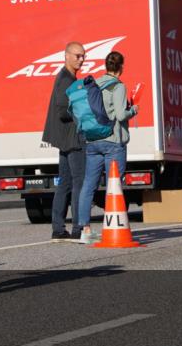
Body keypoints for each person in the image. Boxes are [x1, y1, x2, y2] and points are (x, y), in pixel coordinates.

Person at [75, 51, 139, 243]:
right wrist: (133, 110)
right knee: (114, 185)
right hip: (112, 141)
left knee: (88, 184)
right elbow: (120, 115)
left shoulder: (95, 84)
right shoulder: (118, 86)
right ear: (121, 67)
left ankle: (85, 229)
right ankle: (113, 226)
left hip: (92, 141)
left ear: (106, 66)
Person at [41, 41, 87, 241]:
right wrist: (83, 114)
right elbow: (62, 110)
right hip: (72, 138)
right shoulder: (66, 79)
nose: (81, 59)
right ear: (66, 56)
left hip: (66, 138)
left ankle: (58, 228)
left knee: (66, 183)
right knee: (79, 182)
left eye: (83, 56)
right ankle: (77, 227)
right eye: (77, 55)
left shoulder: (68, 78)